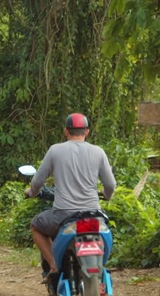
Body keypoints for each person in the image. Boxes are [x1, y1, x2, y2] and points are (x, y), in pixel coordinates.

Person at [25, 113, 116, 284]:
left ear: (66, 131)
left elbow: (37, 181)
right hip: (93, 213)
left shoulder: (55, 150)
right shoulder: (98, 152)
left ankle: (53, 266)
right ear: (86, 132)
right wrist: (106, 195)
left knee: (36, 226)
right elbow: (110, 185)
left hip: (63, 214)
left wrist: (33, 192)